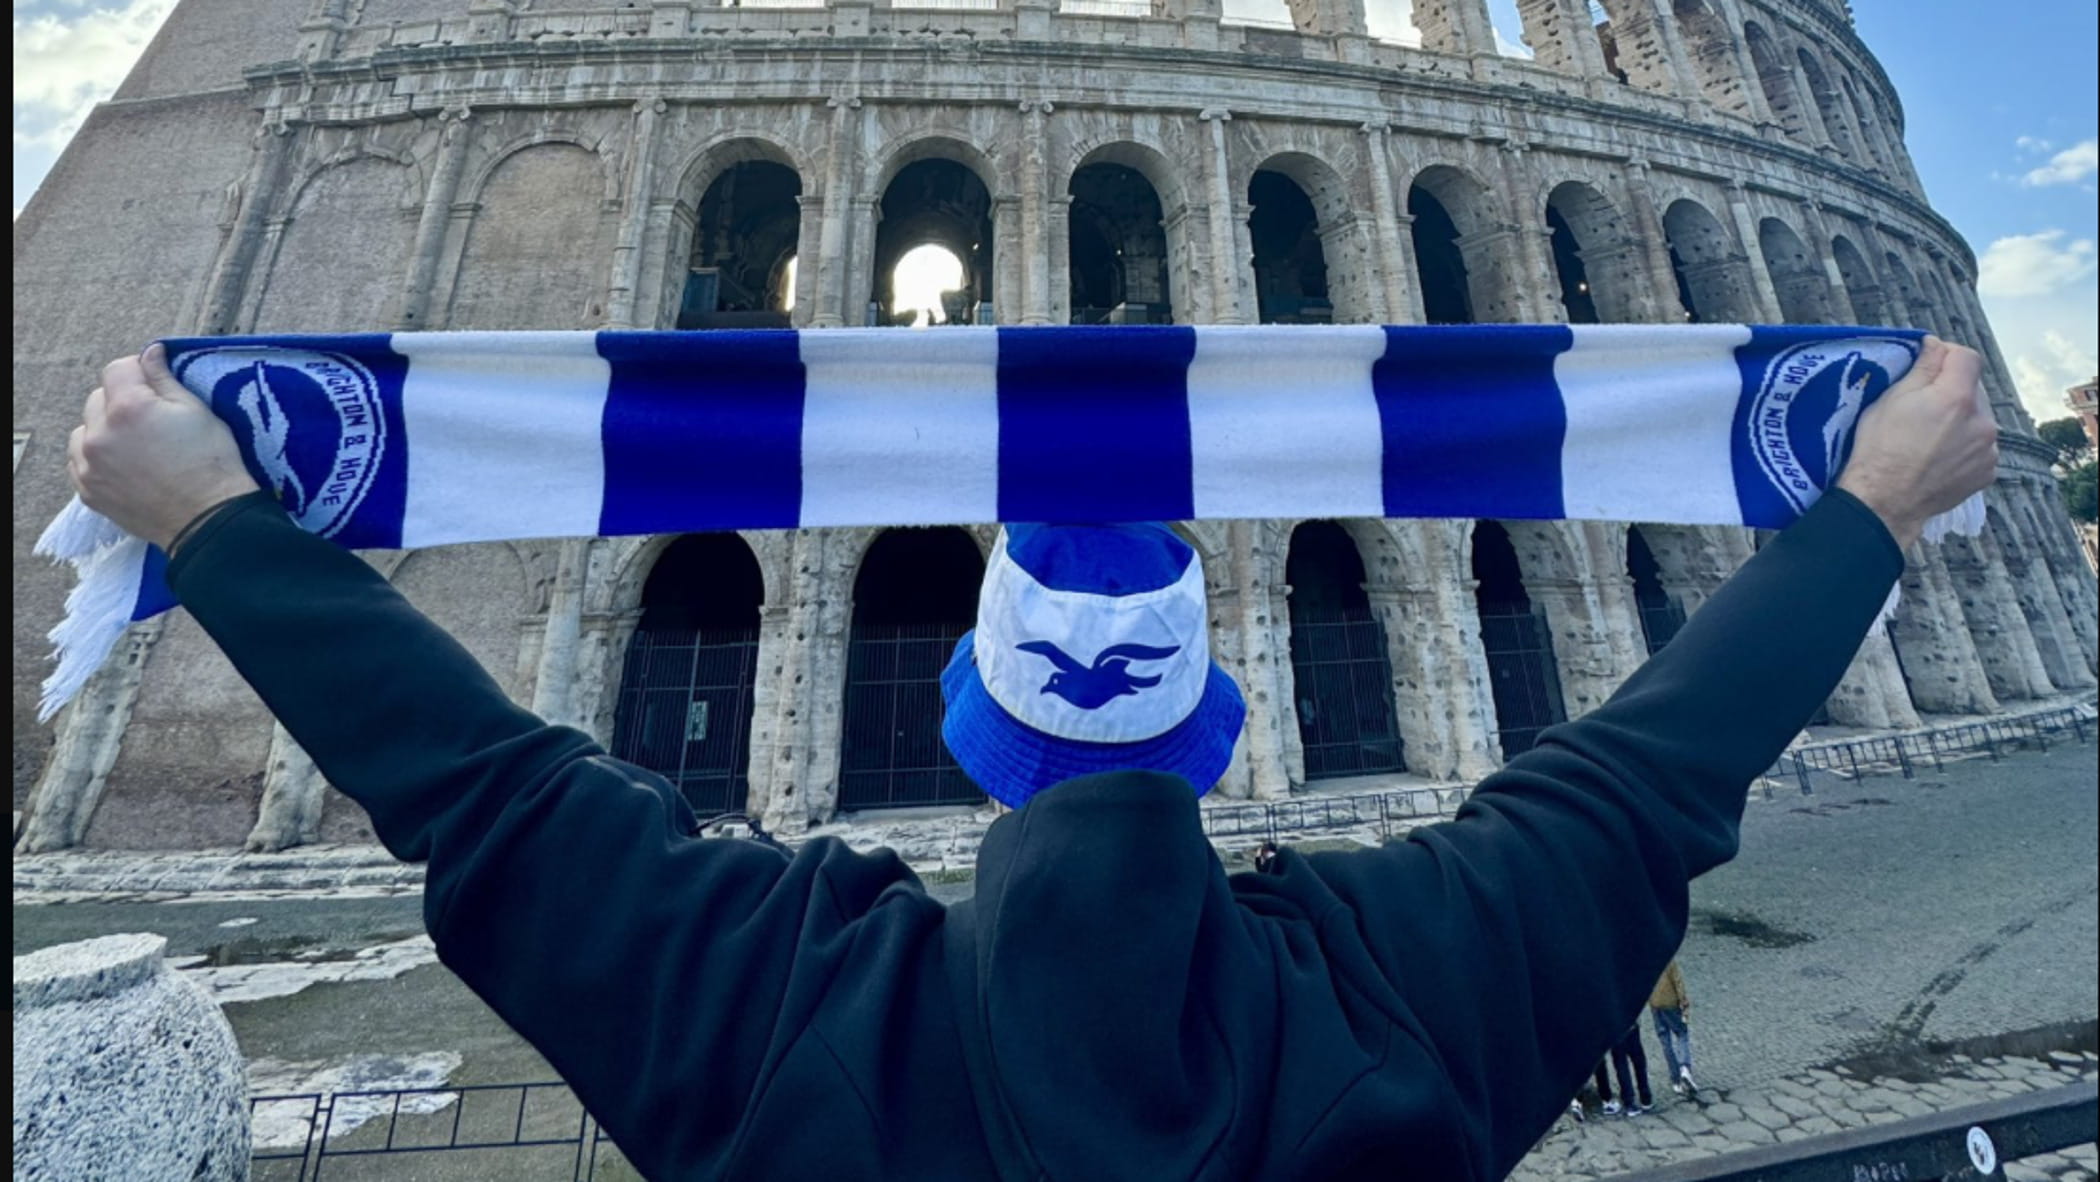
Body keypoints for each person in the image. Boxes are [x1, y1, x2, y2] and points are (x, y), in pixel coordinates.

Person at [60, 337, 1996, 1181]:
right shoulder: (1402, 993)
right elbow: (1637, 787)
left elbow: (484, 789)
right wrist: (1865, 515)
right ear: (1210, 726)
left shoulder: (796, 1009)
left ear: (979, 740)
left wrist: (219, 517)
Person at [1652, 958, 1697, 1095]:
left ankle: (1675, 1080)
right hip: (1670, 1004)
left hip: (1655, 1005)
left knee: (1665, 1041)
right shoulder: (1669, 960)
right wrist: (1684, 1002)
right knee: (1682, 1034)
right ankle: (1684, 1067)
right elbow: (1678, 982)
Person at [1605, 1023, 1655, 1116]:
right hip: (1631, 1026)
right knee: (1638, 1061)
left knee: (1621, 1064)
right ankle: (1645, 1097)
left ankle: (1629, 1101)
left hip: (1613, 1028)